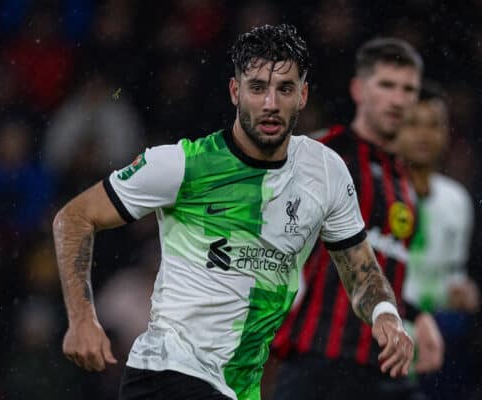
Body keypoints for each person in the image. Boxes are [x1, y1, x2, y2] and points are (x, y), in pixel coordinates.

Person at [52, 25, 414, 400]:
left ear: (303, 95)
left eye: (285, 88)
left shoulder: (326, 171)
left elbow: (362, 271)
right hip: (167, 373)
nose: (271, 103)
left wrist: (385, 313)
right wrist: (82, 318)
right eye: (257, 87)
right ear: (235, 92)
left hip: (239, 387)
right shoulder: (182, 164)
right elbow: (74, 217)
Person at [270, 38, 444, 399]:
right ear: (358, 89)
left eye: (408, 89)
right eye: (386, 85)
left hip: (381, 366)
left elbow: (377, 266)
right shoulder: (319, 153)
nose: (398, 99)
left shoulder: (404, 182)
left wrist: (419, 316)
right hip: (317, 362)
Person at [396, 84, 480, 399]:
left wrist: (464, 290)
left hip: (440, 340)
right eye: (413, 123)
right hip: (387, 331)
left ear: (447, 133)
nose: (424, 135)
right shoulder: (375, 193)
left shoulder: (457, 200)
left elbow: (453, 273)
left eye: (434, 124)